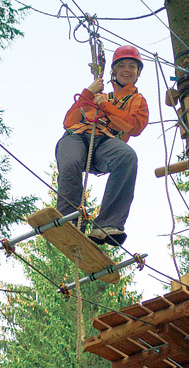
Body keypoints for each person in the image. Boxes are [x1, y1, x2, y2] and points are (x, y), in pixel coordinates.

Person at [55, 45, 149, 246]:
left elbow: (134, 126)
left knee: (127, 156)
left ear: (138, 72)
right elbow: (69, 122)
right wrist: (88, 93)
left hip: (105, 143)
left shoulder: (136, 100)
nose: (126, 70)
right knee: (70, 163)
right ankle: (70, 221)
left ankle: (108, 224)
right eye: (121, 65)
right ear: (113, 71)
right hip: (77, 137)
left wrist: (105, 106)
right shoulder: (99, 94)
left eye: (132, 66)